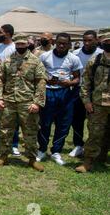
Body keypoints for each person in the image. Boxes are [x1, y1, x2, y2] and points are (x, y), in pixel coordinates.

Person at [0, 34, 47, 171]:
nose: (20, 47)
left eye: (23, 44)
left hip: (27, 102)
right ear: (15, 44)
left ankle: (32, 159)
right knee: (5, 130)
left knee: (30, 132)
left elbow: (41, 82)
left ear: (28, 44)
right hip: (8, 102)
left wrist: (37, 102)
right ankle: (3, 156)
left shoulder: (35, 61)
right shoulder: (8, 61)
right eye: (18, 44)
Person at [37, 33, 82, 165]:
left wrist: (70, 83)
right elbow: (39, 73)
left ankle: (56, 151)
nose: (61, 45)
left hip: (65, 93)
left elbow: (77, 78)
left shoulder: (73, 58)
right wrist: (46, 79)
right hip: (48, 92)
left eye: (64, 43)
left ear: (69, 44)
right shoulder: (45, 56)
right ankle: (42, 150)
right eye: (59, 43)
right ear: (54, 43)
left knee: (63, 124)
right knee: (45, 122)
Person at [76, 28, 110, 173]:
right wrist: (87, 101)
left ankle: (103, 157)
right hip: (97, 105)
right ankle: (88, 161)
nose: (109, 43)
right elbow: (85, 84)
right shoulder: (95, 61)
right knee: (95, 133)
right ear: (101, 42)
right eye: (106, 41)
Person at [0, 24, 20, 156]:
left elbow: (18, 64)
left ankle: (14, 144)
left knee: (13, 116)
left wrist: (0, 63)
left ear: (8, 33)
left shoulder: (15, 48)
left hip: (12, 86)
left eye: (0, 32)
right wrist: (6, 63)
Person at [70, 31, 103, 158]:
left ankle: (94, 146)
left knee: (95, 121)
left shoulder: (101, 54)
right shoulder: (75, 54)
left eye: (90, 40)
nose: (87, 43)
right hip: (78, 90)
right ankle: (78, 145)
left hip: (96, 92)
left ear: (96, 40)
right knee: (77, 119)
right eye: (85, 40)